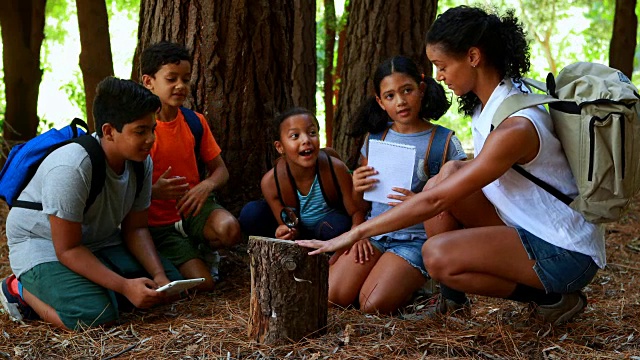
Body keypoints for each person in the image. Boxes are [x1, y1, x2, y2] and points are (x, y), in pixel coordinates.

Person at [298, 6, 605, 325]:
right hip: (532, 227)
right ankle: (453, 302)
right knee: (446, 175)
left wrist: (353, 233)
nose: (439, 77)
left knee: (437, 254)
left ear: (473, 56)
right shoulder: (492, 104)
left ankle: (554, 299)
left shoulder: (515, 127)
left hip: (565, 251)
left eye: (442, 66)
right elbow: (445, 189)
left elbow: (435, 201)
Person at [0, 77, 183, 330]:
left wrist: (159, 275)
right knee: (96, 316)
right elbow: (67, 249)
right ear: (108, 131)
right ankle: (19, 290)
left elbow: (136, 229)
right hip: (43, 243)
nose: (151, 139)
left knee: (170, 285)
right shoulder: (72, 167)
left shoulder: (141, 162)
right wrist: (124, 285)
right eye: (140, 131)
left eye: (152, 128)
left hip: (97, 240)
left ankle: (94, 285)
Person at [326, 56, 466, 314]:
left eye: (407, 91)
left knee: (372, 305)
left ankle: (425, 284)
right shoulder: (376, 138)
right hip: (374, 234)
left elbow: (462, 203)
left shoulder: (443, 142)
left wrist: (420, 201)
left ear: (421, 90)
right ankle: (390, 278)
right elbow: (360, 206)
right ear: (380, 102)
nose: (400, 101)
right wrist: (357, 185)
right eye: (390, 96)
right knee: (333, 296)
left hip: (416, 240)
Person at [140, 42, 241, 292]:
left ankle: (204, 246)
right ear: (148, 81)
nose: (180, 86)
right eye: (171, 79)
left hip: (195, 210)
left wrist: (205, 186)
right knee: (204, 285)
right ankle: (182, 256)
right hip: (159, 225)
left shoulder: (195, 122)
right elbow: (122, 184)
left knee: (229, 229)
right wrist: (153, 191)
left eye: (185, 79)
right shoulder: (140, 130)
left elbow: (221, 170)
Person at [238, 107, 365, 246]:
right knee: (251, 214)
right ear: (280, 147)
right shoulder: (271, 182)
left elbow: (355, 211)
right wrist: (286, 231)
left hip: (327, 229)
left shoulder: (335, 168)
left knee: (337, 226)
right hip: (300, 231)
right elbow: (288, 224)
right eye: (295, 136)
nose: (306, 140)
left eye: (312, 133)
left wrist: (356, 233)